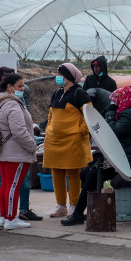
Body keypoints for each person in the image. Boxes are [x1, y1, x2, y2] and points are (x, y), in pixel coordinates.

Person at [61, 86, 131, 226]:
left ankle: (79, 214)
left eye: (115, 100)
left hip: (130, 162)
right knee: (85, 172)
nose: (113, 103)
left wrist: (110, 114)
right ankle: (91, 209)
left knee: (92, 175)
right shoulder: (122, 112)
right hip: (120, 158)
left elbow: (113, 132)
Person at [0, 66, 42, 221]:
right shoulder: (13, 104)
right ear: (10, 87)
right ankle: (11, 219)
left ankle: (4, 216)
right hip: (15, 153)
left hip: (3, 151)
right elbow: (19, 131)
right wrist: (32, 146)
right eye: (20, 86)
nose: (23, 89)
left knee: (6, 185)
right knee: (12, 186)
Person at [43, 63, 92, 218]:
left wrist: (81, 132)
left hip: (72, 140)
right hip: (53, 140)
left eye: (59, 73)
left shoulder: (79, 93)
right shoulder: (57, 93)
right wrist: (49, 128)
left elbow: (90, 114)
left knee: (72, 173)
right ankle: (61, 205)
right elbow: (51, 114)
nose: (57, 76)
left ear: (68, 77)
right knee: (56, 172)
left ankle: (74, 205)